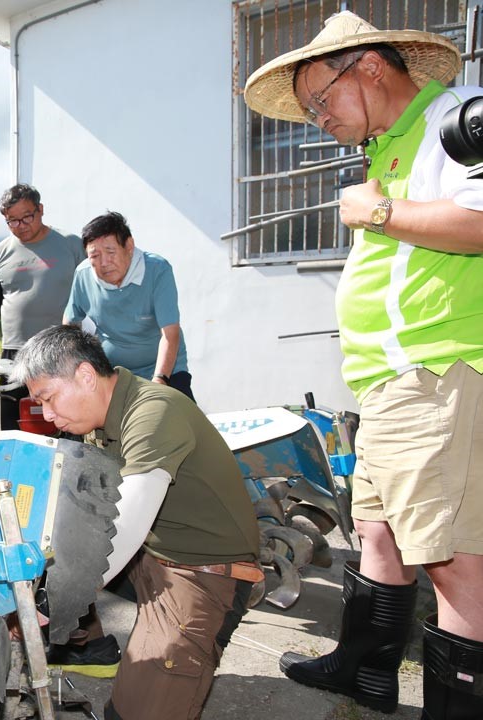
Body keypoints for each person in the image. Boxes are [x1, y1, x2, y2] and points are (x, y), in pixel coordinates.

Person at [244, 12, 483, 717]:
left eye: (322, 100)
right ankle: (365, 673)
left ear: (370, 68)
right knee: (378, 532)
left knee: (453, 563)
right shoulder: (389, 149)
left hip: (436, 373)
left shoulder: (455, 121)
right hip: (388, 383)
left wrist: (378, 213)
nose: (318, 118)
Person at [11, 325, 261, 720]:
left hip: (199, 571)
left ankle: (93, 630)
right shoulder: (99, 417)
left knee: (133, 713)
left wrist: (56, 602)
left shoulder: (154, 411)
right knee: (50, 556)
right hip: (151, 552)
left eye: (49, 398)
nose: (47, 414)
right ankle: (87, 642)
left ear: (86, 376)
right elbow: (81, 505)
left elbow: (125, 525)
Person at [64, 211, 194, 401]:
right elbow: (69, 324)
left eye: (110, 252)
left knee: (182, 423)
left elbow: (170, 333)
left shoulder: (157, 270)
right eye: (95, 256)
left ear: (129, 246)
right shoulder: (83, 274)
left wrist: (159, 380)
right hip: (113, 373)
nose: (104, 263)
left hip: (166, 370)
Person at [0, 184, 84, 430]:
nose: (20, 225)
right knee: (15, 425)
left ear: (40, 210)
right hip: (14, 352)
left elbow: (89, 291)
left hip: (61, 351)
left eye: (27, 217)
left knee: (63, 422)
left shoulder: (70, 245)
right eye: (12, 221)